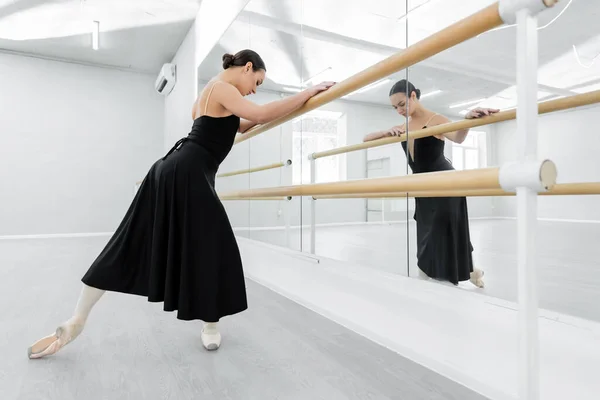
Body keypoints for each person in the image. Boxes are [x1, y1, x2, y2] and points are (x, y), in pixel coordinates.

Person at [27, 49, 335, 359]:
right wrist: (307, 93)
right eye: (257, 81)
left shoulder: (209, 95)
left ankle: (77, 319)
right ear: (248, 67)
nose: (255, 89)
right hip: (187, 171)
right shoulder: (222, 87)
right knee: (214, 246)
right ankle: (211, 325)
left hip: (170, 168)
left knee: (130, 242)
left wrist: (289, 108)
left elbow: (241, 125)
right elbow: (260, 114)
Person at [363, 79, 499, 288]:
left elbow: (458, 137)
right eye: (395, 107)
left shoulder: (436, 120)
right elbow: (366, 139)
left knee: (441, 229)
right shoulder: (404, 127)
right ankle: (469, 271)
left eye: (402, 104)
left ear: (413, 96)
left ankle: (456, 273)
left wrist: (467, 121)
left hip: (445, 183)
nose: (399, 110)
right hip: (422, 186)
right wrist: (386, 132)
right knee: (428, 231)